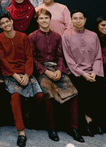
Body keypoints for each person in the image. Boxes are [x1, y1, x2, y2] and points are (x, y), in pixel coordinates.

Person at [28, 9, 84, 143]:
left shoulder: (57, 37)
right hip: (42, 70)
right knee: (48, 93)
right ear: (37, 21)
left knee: (74, 93)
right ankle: (51, 128)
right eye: (41, 19)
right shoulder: (32, 37)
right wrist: (45, 71)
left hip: (57, 68)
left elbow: (60, 56)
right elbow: (33, 58)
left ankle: (74, 127)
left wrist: (59, 69)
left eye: (46, 18)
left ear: (50, 19)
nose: (44, 21)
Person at [0, 14, 43, 147]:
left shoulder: (23, 37)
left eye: (7, 21)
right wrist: (15, 75)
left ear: (11, 21)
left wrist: (27, 75)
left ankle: (27, 113)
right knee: (15, 96)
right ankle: (21, 132)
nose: (5, 24)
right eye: (2, 23)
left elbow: (29, 56)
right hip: (10, 74)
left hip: (26, 72)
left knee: (39, 95)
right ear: (0, 26)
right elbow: (3, 60)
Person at [62, 9, 106, 136]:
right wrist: (83, 74)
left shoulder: (93, 35)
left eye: (81, 18)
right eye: (75, 18)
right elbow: (69, 60)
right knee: (83, 89)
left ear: (85, 20)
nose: (78, 21)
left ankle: (96, 121)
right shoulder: (66, 35)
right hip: (76, 72)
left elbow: (98, 56)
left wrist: (94, 72)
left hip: (93, 71)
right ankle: (86, 121)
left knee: (100, 88)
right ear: (71, 20)